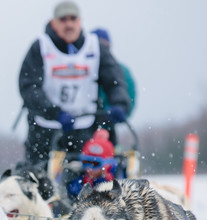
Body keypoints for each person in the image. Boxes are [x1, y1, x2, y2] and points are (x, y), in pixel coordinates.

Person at [18, 1, 131, 199]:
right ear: (54, 23)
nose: (68, 24)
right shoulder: (41, 47)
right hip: (45, 127)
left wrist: (119, 105)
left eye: (73, 19)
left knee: (86, 176)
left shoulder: (95, 47)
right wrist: (55, 112)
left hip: (84, 125)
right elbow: (29, 87)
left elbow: (114, 80)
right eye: (63, 19)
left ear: (80, 21)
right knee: (38, 181)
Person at [92, 27, 136, 145]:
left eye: (103, 44)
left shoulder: (119, 71)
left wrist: (117, 111)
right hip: (81, 127)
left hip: (108, 130)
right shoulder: (83, 70)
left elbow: (128, 98)